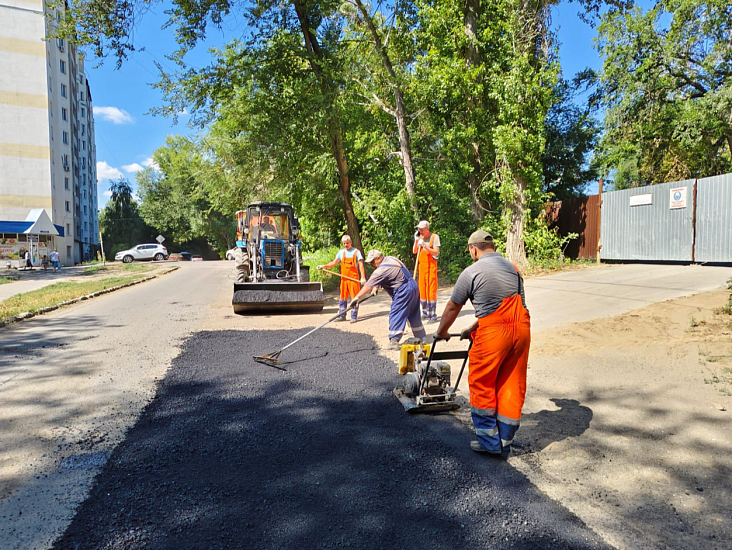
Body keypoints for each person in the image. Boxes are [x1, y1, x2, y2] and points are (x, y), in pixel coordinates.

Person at [435, 230, 531, 459]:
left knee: (482, 383)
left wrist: (442, 332)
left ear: (473, 249)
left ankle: (489, 442)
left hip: (494, 336)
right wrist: (473, 328)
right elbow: (510, 308)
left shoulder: (472, 272)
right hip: (522, 332)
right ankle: (505, 440)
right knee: (511, 384)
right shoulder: (514, 270)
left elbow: (452, 308)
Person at [351, 250, 426, 349]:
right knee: (413, 314)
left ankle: (394, 341)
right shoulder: (391, 259)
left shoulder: (381, 269)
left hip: (403, 290)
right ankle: (421, 338)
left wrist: (357, 298)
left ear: (378, 258)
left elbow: (368, 285)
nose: (371, 264)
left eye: (372, 262)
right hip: (413, 286)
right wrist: (376, 287)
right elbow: (382, 279)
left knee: (396, 313)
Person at [317, 235, 367, 323]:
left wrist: (363, 277)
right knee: (342, 297)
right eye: (344, 243)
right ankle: (342, 315)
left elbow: (361, 265)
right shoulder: (341, 253)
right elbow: (334, 263)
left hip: (354, 279)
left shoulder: (356, 252)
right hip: (344, 279)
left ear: (350, 242)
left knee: (354, 298)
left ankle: (353, 316)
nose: (346, 245)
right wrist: (324, 266)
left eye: (347, 243)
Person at [412, 220, 440, 323]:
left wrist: (425, 246)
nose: (420, 231)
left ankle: (432, 315)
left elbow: (436, 252)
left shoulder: (434, 237)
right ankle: (424, 313)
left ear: (427, 229)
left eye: (422, 229)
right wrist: (416, 240)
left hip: (431, 268)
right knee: (422, 291)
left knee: (431, 291)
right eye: (419, 229)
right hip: (422, 269)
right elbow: (415, 251)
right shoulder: (420, 238)